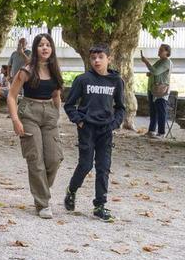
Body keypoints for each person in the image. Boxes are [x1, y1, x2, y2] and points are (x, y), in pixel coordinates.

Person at [62, 43, 124, 222]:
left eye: (100, 57)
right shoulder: (82, 79)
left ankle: (100, 205)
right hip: (87, 128)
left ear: (108, 59)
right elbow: (69, 105)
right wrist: (80, 121)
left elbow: (121, 107)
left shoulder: (116, 81)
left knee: (103, 167)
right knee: (86, 164)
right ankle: (71, 191)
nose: (96, 61)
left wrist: (114, 123)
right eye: (93, 58)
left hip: (106, 130)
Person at [6, 33, 64, 219]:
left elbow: (56, 95)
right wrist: (15, 120)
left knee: (54, 158)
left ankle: (41, 190)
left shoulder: (55, 69)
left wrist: (58, 116)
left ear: (52, 48)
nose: (45, 48)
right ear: (36, 48)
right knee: (35, 158)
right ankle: (42, 203)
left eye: (48, 45)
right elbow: (12, 96)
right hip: (29, 112)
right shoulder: (26, 70)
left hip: (50, 114)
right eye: (41, 45)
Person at [141, 44, 173, 138]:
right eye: (159, 49)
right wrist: (150, 73)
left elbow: (155, 71)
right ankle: (151, 131)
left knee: (161, 112)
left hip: (161, 91)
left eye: (161, 50)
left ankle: (161, 133)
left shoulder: (167, 62)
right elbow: (153, 72)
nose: (159, 51)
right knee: (153, 111)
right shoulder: (160, 61)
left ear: (167, 52)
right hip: (153, 89)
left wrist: (146, 61)